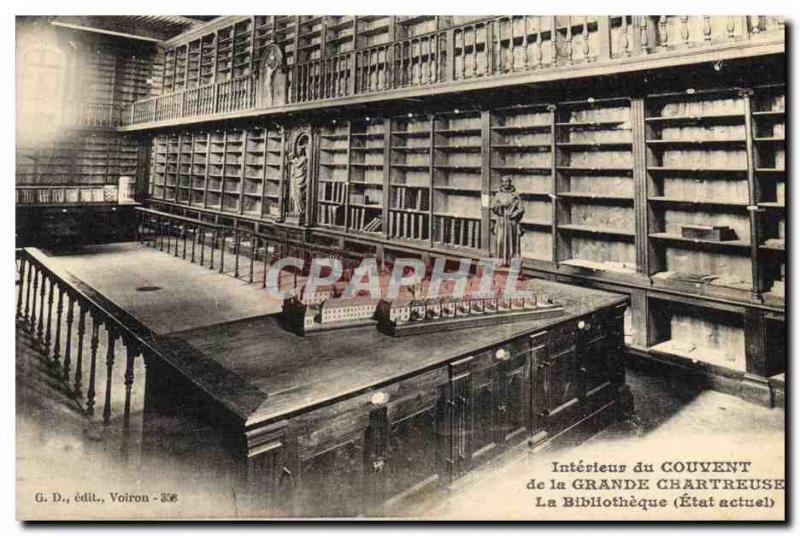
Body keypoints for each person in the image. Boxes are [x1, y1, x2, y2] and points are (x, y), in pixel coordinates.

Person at [491, 176, 525, 266]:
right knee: (500, 241)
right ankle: (500, 261)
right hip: (501, 222)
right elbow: (493, 207)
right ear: (502, 183)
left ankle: (511, 262)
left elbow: (521, 208)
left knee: (512, 242)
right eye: (504, 182)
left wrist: (515, 214)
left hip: (512, 223)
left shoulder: (516, 194)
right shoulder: (498, 195)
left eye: (508, 182)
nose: (506, 184)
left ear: (511, 182)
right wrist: (501, 205)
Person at [289, 134, 308, 215]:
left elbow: (298, 165)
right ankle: (297, 210)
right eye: (298, 149)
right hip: (295, 177)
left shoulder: (304, 158)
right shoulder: (298, 159)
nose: (298, 151)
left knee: (299, 194)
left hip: (301, 178)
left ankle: (302, 210)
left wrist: (292, 160)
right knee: (294, 194)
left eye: (300, 150)